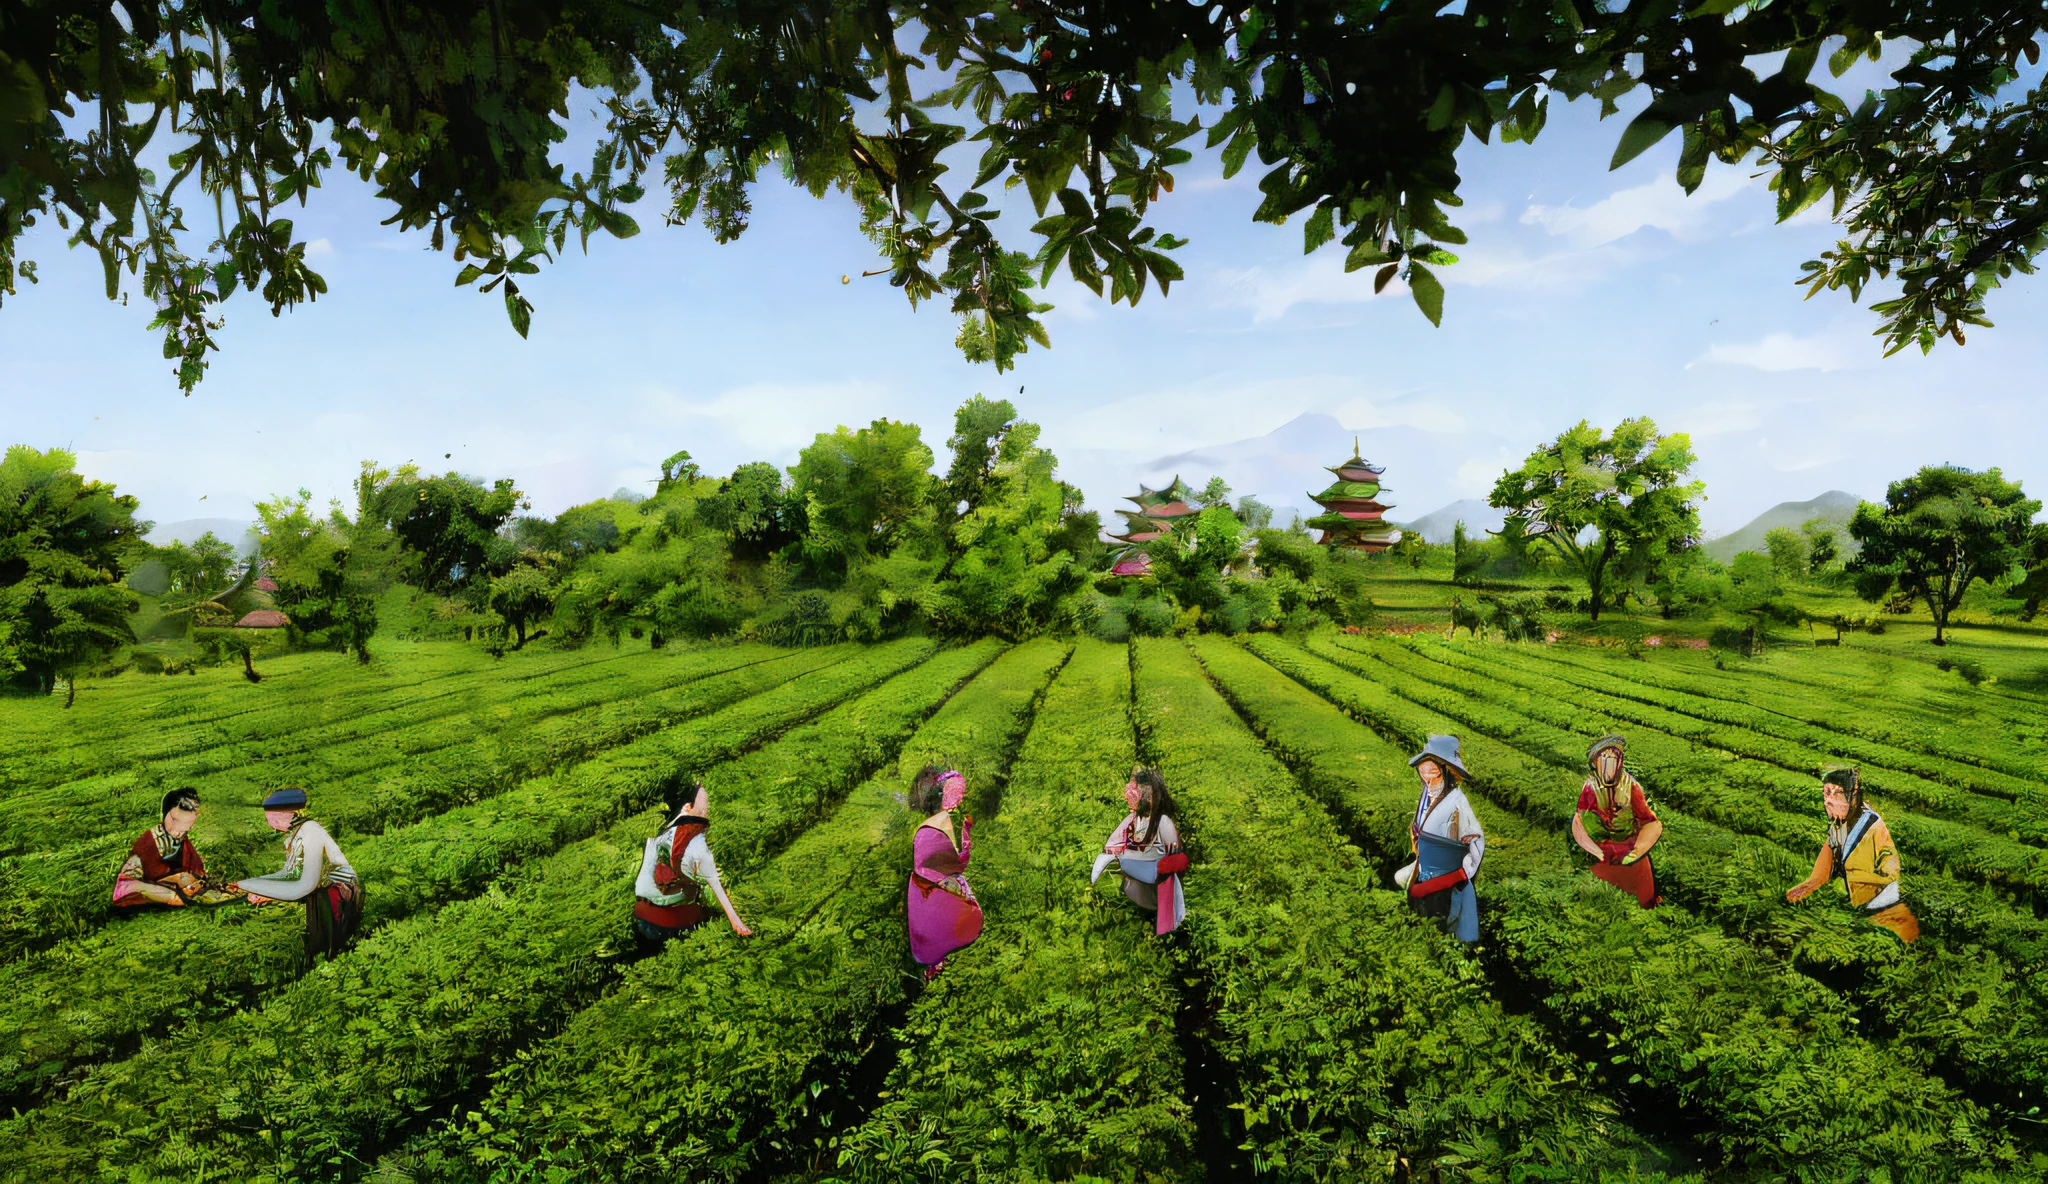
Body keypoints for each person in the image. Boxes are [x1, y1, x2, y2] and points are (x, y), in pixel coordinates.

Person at [1786, 767, 1919, 944]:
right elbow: (1827, 859)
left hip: (1880, 904)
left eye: (1838, 793)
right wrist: (1812, 883)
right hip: (1857, 903)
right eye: (1827, 793)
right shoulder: (1837, 825)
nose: (1829, 801)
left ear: (1853, 795)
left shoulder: (1873, 826)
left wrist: (1864, 876)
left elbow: (1890, 866)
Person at [236, 786, 364, 961]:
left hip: (336, 890)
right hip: (322, 889)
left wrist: (269, 895)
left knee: (328, 946)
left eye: (269, 818)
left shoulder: (309, 831)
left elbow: (309, 880)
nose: (268, 823)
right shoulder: (297, 834)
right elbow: (290, 872)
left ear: (278, 816)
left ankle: (332, 956)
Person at [632, 781, 752, 950]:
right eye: (705, 808)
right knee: (702, 907)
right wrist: (736, 922)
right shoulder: (698, 844)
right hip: (674, 926)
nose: (707, 811)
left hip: (642, 920)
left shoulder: (660, 836)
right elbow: (716, 886)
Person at [1394, 735, 1484, 943]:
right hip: (1425, 871)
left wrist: (1460, 873)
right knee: (1419, 913)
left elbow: (1476, 841)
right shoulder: (1427, 796)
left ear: (1445, 771)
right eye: (1423, 770)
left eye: (1432, 770)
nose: (1427, 776)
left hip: (1447, 878)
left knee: (1444, 922)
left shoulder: (1456, 802)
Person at [1090, 766, 1189, 935]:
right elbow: (1113, 843)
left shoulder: (1162, 821)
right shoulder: (1133, 820)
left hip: (1155, 874)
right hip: (1137, 879)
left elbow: (1174, 853)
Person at [905, 765, 982, 980]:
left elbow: (957, 861)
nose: (958, 797)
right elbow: (925, 869)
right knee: (940, 933)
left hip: (946, 885)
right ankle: (936, 963)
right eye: (952, 792)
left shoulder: (957, 820)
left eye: (960, 792)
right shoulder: (928, 832)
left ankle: (943, 959)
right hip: (931, 891)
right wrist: (947, 884)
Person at [111, 787, 243, 910]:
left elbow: (193, 865)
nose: (179, 832)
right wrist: (179, 879)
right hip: (136, 885)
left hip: (166, 882)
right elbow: (153, 873)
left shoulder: (180, 838)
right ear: (165, 815)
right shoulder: (150, 840)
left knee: (191, 884)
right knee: (175, 896)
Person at [1570, 734, 1663, 908]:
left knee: (1641, 893)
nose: (1608, 764)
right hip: (1603, 852)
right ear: (1595, 763)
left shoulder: (1630, 787)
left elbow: (1650, 821)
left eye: (1613, 758)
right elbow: (1579, 821)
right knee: (1604, 897)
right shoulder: (1590, 789)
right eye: (1604, 758)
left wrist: (1638, 849)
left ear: (1619, 762)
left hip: (1630, 848)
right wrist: (1595, 850)